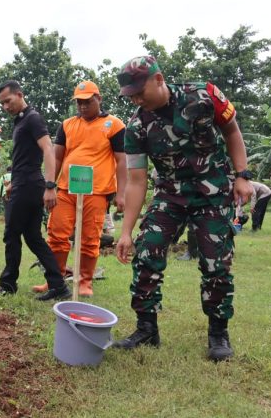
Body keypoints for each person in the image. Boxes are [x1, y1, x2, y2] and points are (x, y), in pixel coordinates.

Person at [114, 56, 253, 362]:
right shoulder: (137, 128)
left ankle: (218, 333)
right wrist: (125, 232)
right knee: (147, 251)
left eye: (140, 91)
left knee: (216, 264)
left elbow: (232, 132)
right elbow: (136, 182)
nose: (137, 99)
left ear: (159, 78)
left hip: (212, 193)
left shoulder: (204, 95)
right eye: (131, 95)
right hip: (170, 196)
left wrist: (242, 176)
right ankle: (146, 328)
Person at [32, 81, 126, 297]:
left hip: (97, 191)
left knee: (90, 238)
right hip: (65, 189)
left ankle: (84, 281)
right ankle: (55, 281)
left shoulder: (115, 125)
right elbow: (56, 156)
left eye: (88, 102)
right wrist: (49, 186)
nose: (83, 107)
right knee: (56, 234)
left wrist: (121, 193)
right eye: (79, 103)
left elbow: (122, 161)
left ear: (99, 99)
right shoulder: (66, 125)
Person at [0, 80, 71, 301]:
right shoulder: (21, 121)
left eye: (8, 101)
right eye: (2, 104)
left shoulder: (33, 118)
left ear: (19, 94)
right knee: (33, 237)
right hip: (25, 183)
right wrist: (14, 181)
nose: (5, 106)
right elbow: (25, 157)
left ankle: (7, 285)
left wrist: (51, 186)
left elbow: (48, 149)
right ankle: (58, 285)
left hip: (30, 185)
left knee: (11, 234)